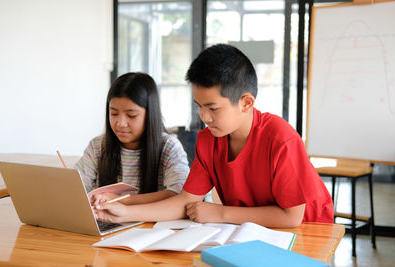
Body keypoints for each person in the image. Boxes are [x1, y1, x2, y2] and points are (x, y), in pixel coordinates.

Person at [94, 44, 334, 228]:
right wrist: (126, 213)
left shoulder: (281, 139)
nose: (204, 117)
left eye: (213, 108)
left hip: (307, 229)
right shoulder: (209, 140)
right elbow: (185, 201)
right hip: (251, 227)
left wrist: (221, 213)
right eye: (198, 105)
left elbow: (291, 217)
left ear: (246, 103)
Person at [75, 72, 190, 205]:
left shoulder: (169, 147)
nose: (120, 123)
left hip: (152, 224)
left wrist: (118, 200)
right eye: (114, 113)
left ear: (150, 115)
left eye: (131, 115)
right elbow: (78, 189)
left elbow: (179, 194)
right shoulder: (97, 146)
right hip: (107, 223)